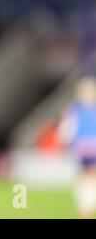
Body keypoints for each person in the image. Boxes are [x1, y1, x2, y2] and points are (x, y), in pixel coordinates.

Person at [58, 76, 96, 219]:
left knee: (86, 177)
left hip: (84, 146)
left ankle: (86, 206)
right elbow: (67, 128)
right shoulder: (75, 109)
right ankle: (86, 207)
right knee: (88, 176)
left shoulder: (74, 108)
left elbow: (66, 129)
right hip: (86, 147)